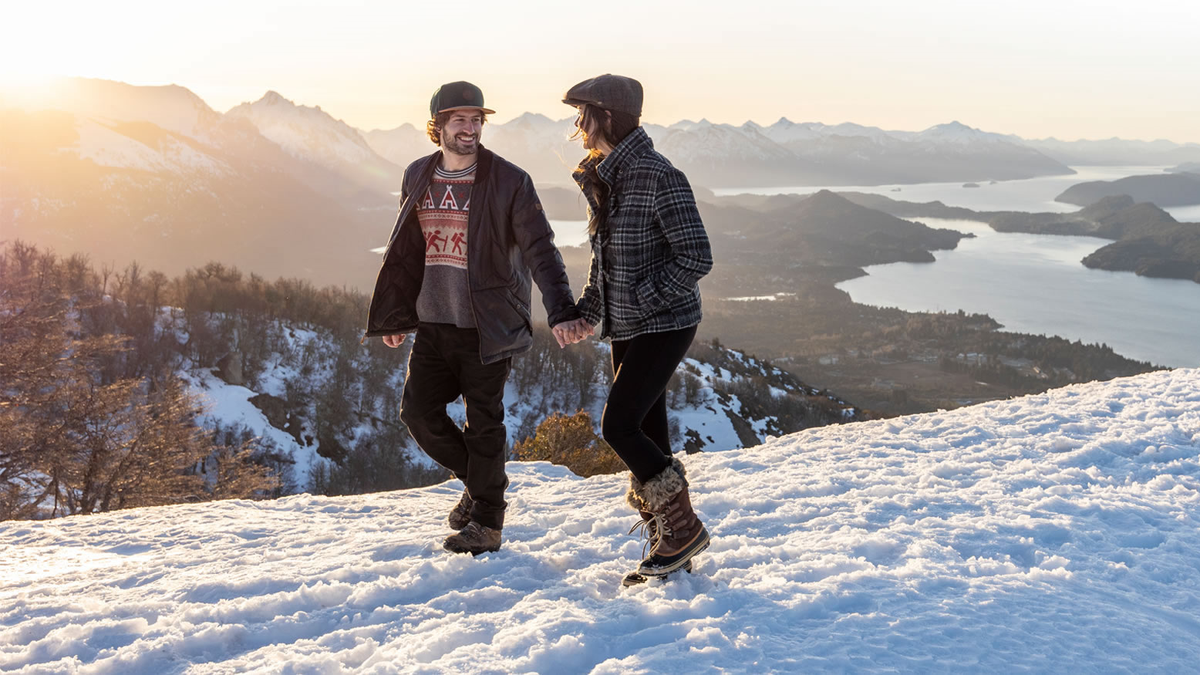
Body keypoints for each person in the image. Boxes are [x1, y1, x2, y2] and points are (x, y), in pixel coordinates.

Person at [364, 81, 591, 555]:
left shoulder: (510, 180)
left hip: (488, 324)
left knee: (484, 423)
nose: (471, 129)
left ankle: (488, 523)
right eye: (460, 120)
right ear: (439, 126)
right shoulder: (417, 175)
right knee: (418, 413)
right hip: (432, 321)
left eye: (477, 120)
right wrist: (395, 315)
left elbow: (540, 251)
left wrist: (562, 310)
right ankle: (482, 483)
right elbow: (408, 250)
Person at [561, 74, 715, 585]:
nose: (577, 125)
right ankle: (667, 551)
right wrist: (589, 309)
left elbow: (696, 256)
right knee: (649, 431)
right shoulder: (607, 175)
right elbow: (604, 262)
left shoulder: (657, 175)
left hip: (666, 323)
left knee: (619, 425)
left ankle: (684, 528)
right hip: (627, 325)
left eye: (583, 114)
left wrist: (642, 299)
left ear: (607, 116)